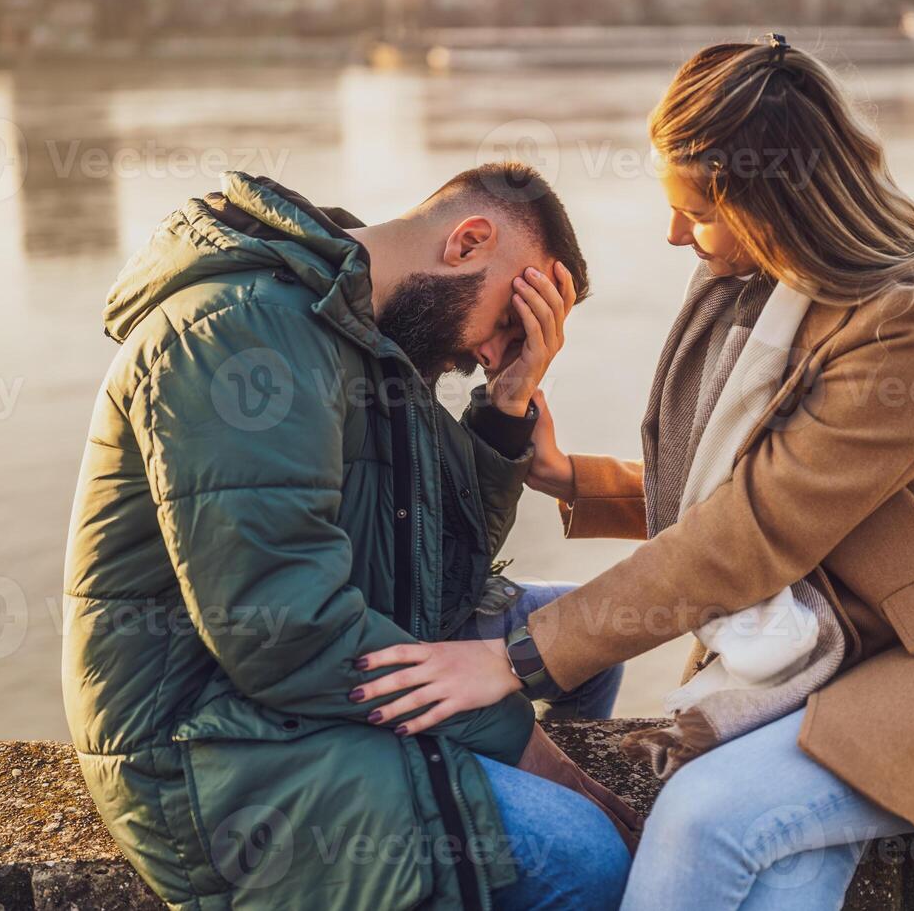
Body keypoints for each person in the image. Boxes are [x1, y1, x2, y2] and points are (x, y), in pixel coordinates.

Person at [353, 37, 914, 909]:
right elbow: (739, 488)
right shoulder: (746, 287)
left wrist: (518, 659)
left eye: (695, 210)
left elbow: (756, 533)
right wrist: (571, 477)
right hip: (810, 652)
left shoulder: (908, 327)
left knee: (705, 817)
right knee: (781, 874)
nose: (674, 235)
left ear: (775, 199)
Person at [62, 166, 630, 911]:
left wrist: (507, 406)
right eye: (510, 324)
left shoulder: (364, 328)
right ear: (467, 241)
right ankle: (476, 818)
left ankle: (476, 833)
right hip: (215, 730)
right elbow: (281, 628)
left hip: (308, 664)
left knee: (590, 638)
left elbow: (445, 571)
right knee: (587, 856)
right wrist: (526, 745)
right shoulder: (243, 332)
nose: (495, 353)